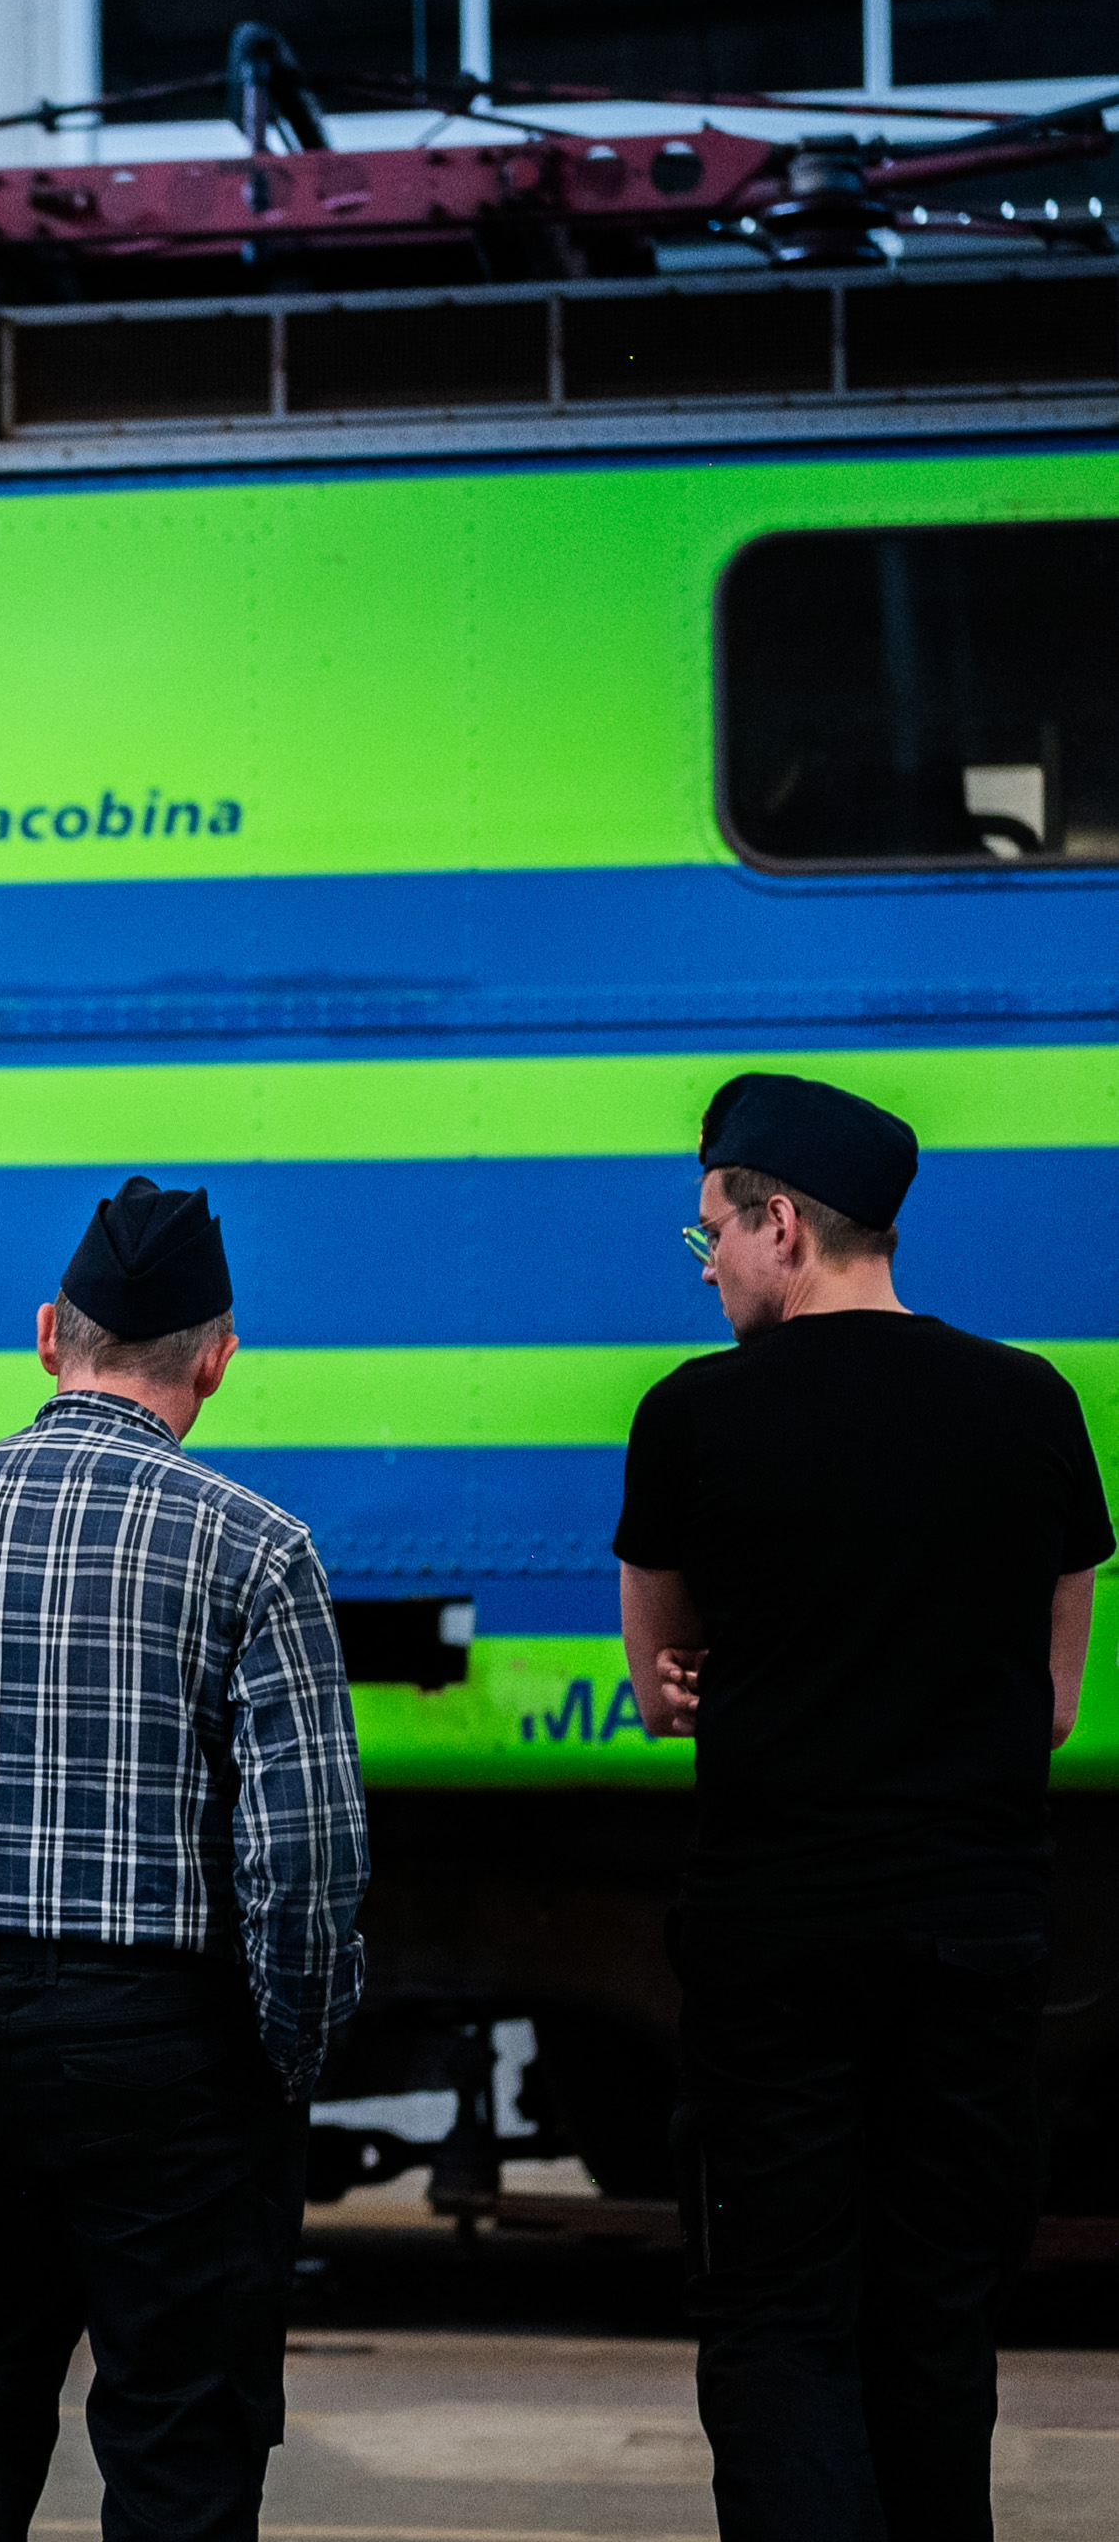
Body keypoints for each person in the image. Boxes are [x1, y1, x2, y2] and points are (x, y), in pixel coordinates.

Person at [0, 1175, 369, 2542]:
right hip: (164, 2044)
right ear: (217, 1360)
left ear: (50, 1332)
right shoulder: (256, 1547)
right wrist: (279, 2058)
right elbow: (307, 1867)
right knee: (179, 2425)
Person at [616, 1072, 1108, 2542]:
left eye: (710, 1230)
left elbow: (659, 1686)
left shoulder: (692, 1415)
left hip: (776, 1937)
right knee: (936, 2314)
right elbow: (1055, 1698)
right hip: (969, 1929)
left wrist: (737, 1669)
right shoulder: (1030, 1403)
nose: (703, 1262)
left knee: (777, 2316)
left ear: (781, 1223)